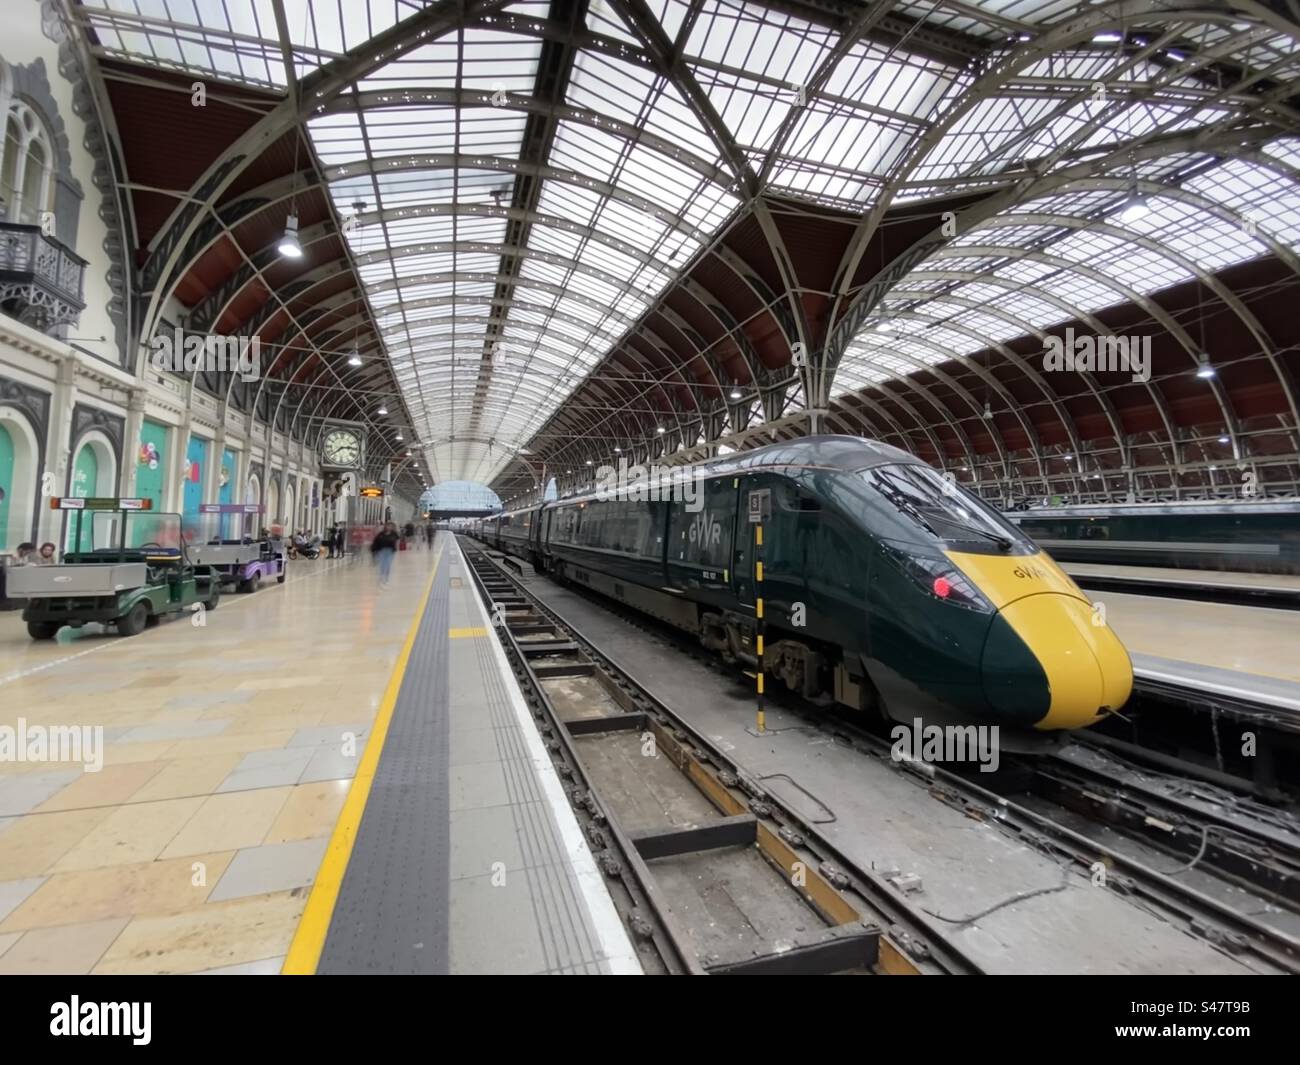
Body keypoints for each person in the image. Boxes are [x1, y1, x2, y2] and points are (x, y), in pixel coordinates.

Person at [371, 521, 400, 586]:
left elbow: (397, 540)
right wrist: (374, 551)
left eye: (390, 526)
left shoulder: (394, 534)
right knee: (382, 565)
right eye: (388, 526)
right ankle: (381, 577)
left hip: (390, 551)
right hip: (382, 551)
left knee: (388, 565)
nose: (389, 527)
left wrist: (396, 547)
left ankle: (386, 578)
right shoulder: (381, 534)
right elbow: (376, 542)